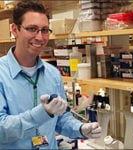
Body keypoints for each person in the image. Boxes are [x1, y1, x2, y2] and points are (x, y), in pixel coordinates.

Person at [0, 1, 102, 149]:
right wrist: (42, 113)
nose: (40, 37)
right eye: (32, 29)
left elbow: (62, 118)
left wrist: (80, 129)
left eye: (45, 30)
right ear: (15, 29)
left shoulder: (53, 74)